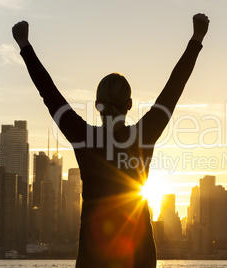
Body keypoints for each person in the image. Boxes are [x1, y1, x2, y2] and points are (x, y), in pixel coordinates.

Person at [12, 13, 209, 268]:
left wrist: (24, 45)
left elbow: (49, 93)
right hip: (140, 259)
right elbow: (173, 89)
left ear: (97, 105)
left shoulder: (84, 138)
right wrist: (197, 38)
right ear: (129, 104)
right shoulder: (143, 137)